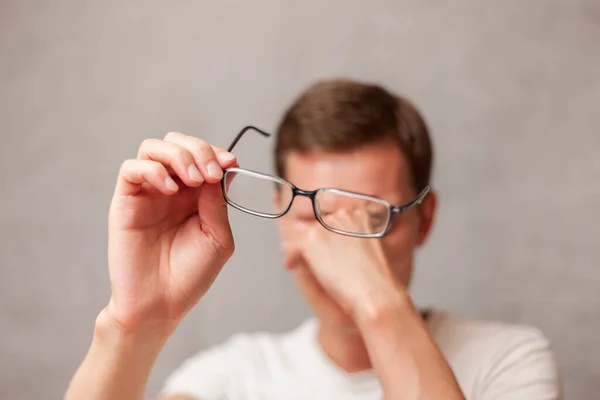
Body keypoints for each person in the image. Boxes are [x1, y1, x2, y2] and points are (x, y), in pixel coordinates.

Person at [65, 79, 561, 400]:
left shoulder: (507, 361)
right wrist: (135, 322)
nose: (338, 246)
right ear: (282, 222)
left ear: (424, 220)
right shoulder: (230, 380)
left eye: (370, 217)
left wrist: (376, 301)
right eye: (309, 217)